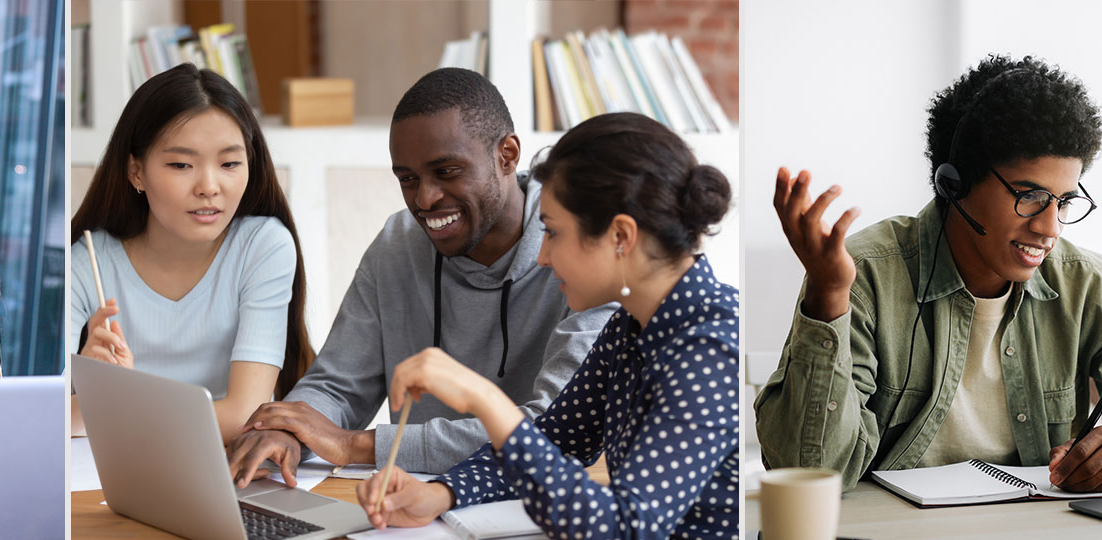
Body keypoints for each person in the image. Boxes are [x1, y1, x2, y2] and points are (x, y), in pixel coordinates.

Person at [755, 55, 1102, 493]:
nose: (1049, 228)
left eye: (1064, 202)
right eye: (1029, 196)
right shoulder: (864, 274)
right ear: (955, 184)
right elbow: (811, 470)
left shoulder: (1091, 284)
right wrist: (829, 295)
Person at [358, 112, 740, 538]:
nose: (541, 257)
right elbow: (554, 442)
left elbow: (627, 527)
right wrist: (443, 494)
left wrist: (486, 399)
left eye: (553, 233)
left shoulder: (710, 346)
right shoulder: (629, 329)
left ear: (620, 236)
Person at [226, 68, 613, 483]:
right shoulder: (398, 243)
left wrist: (356, 445)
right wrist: (289, 431)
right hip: (413, 504)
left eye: (446, 171)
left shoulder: (582, 254)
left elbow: (556, 429)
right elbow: (338, 385)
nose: (424, 199)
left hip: (539, 506)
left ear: (507, 154)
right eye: (407, 179)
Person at [69, 64, 312, 442]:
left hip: (221, 470)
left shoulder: (263, 246)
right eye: (181, 164)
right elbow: (49, 417)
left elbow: (243, 414)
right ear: (136, 172)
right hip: (107, 474)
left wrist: (117, 406)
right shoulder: (87, 261)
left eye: (230, 163)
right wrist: (91, 388)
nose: (209, 187)